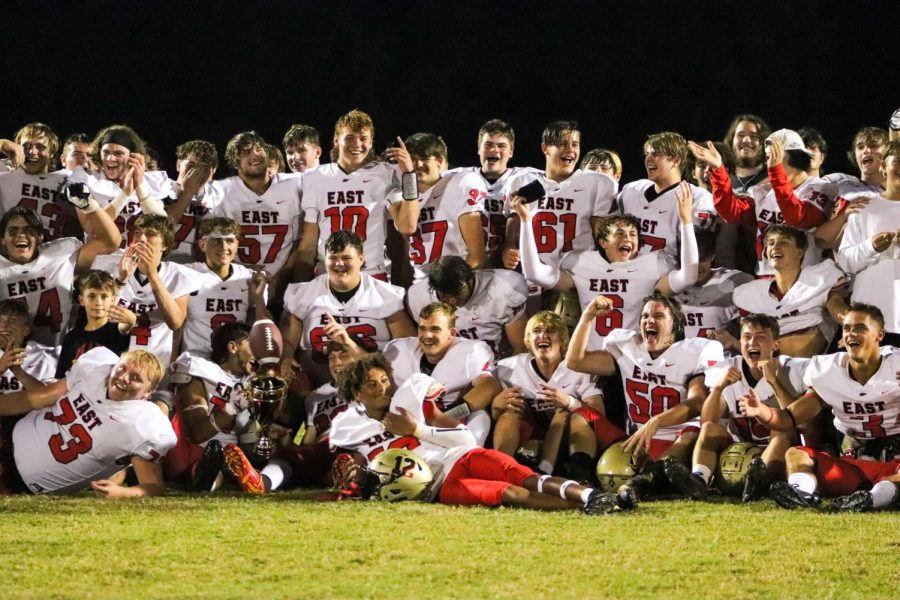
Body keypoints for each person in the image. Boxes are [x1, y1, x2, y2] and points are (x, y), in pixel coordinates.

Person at [319, 353, 630, 514]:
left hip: (460, 454)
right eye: (372, 384)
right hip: (437, 489)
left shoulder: (409, 398)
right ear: (355, 393)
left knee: (528, 478)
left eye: (384, 380)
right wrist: (352, 475)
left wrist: (417, 428)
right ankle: (586, 507)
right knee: (510, 495)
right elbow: (352, 463)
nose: (382, 388)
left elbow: (465, 437)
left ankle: (593, 496)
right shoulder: (347, 425)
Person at [741, 304, 899, 512]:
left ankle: (870, 500)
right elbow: (790, 418)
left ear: (879, 335)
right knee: (796, 454)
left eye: (860, 328)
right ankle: (799, 493)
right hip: (854, 460)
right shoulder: (827, 371)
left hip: (896, 459)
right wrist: (760, 412)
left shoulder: (895, 365)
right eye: (847, 328)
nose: (852, 333)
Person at [567, 292, 725, 499]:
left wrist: (657, 422)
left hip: (676, 436)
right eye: (645, 316)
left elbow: (696, 403)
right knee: (581, 415)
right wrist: (587, 317)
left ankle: (640, 486)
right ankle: (582, 478)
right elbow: (576, 361)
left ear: (675, 325)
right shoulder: (628, 349)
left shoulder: (692, 352)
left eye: (658, 316)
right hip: (636, 438)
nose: (649, 320)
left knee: (691, 434)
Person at [514, 182, 699, 344]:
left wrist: (686, 221)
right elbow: (534, 273)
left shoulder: (653, 264)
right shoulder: (582, 263)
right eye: (619, 234)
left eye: (632, 234)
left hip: (632, 359)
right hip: (588, 356)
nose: (627, 238)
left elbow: (689, 276)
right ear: (603, 242)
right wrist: (525, 221)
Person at [664, 314, 807, 501]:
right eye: (747, 337)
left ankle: (758, 481)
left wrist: (774, 382)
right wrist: (718, 388)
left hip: (777, 457)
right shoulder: (728, 368)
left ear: (775, 345)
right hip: (736, 452)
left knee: (782, 433)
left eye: (761, 336)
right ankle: (699, 480)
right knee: (708, 429)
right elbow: (708, 420)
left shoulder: (794, 369)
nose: (752, 342)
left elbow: (796, 422)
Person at [0, 346, 176, 497]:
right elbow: (35, 399)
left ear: (148, 392)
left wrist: (123, 493)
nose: (123, 378)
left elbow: (153, 486)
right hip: (11, 432)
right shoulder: (96, 369)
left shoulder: (143, 425)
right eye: (122, 368)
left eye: (136, 378)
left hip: (26, 480)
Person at [291, 109, 419, 281]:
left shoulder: (385, 174)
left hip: (370, 274)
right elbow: (308, 244)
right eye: (349, 138)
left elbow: (407, 226)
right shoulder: (316, 177)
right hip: (328, 274)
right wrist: (301, 286)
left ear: (371, 142)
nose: (357, 144)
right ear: (336, 141)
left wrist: (409, 176)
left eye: (363, 138)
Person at [279, 231, 415, 387]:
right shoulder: (303, 294)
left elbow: (407, 349)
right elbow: (287, 341)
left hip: (374, 383)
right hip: (318, 388)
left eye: (346, 258)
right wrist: (286, 359)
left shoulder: (385, 295)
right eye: (333, 258)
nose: (339, 264)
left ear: (361, 259)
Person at [690, 129, 831, 276]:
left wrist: (776, 173)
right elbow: (731, 213)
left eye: (773, 156)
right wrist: (717, 169)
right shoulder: (761, 191)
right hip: (766, 279)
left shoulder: (820, 188)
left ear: (794, 156)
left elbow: (796, 218)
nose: (769, 163)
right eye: (768, 157)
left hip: (806, 280)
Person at [223, 341, 353, 494]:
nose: (337, 362)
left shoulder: (366, 386)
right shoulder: (314, 397)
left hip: (355, 444)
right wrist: (286, 440)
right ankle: (261, 482)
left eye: (343, 356)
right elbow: (308, 441)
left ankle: (344, 477)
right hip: (325, 449)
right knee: (288, 456)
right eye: (331, 357)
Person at [492, 311, 606, 482]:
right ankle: (501, 469)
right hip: (527, 439)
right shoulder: (509, 368)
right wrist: (495, 405)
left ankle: (578, 470)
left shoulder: (579, 368)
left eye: (551, 331)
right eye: (537, 331)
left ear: (563, 340)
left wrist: (569, 401)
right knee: (510, 409)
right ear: (529, 340)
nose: (543, 335)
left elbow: (598, 416)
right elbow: (492, 413)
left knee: (566, 412)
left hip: (569, 442)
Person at [0, 198, 121, 347]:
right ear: (3, 239)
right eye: (13, 231)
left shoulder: (61, 254)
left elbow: (111, 242)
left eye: (28, 230)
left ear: (40, 236)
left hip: (60, 354)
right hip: (9, 358)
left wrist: (91, 206)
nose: (20, 235)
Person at [501, 121, 617, 272]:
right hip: (532, 271)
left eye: (575, 144)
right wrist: (508, 247)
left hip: (577, 273)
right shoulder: (523, 180)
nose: (570, 150)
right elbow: (514, 218)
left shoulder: (597, 183)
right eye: (562, 144)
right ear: (545, 148)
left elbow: (603, 238)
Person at [92, 215, 198, 368]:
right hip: (108, 357)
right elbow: (93, 314)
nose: (141, 238)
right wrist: (121, 280)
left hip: (152, 364)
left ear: (165, 245)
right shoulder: (111, 263)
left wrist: (152, 275)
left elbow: (175, 322)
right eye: (137, 232)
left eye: (150, 234)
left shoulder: (178, 275)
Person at [384, 302, 497, 446]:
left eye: (435, 329)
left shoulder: (470, 352)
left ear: (451, 333)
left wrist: (447, 416)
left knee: (480, 417)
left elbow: (489, 387)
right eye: (422, 328)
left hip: (454, 420)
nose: (427, 335)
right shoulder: (398, 350)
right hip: (408, 419)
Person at [730, 225, 849, 358]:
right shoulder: (751, 292)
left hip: (811, 360)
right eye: (771, 243)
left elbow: (838, 308)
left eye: (784, 242)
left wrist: (852, 326)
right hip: (769, 361)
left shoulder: (821, 277)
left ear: (800, 252)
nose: (775, 247)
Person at [166, 322, 256, 490]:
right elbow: (197, 433)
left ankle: (260, 478)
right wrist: (231, 409)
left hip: (233, 454)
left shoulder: (251, 382)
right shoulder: (200, 369)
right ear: (233, 347)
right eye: (253, 345)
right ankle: (206, 480)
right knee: (212, 461)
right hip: (194, 450)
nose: (258, 352)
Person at [208, 131, 303, 277]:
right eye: (246, 152)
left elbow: (301, 241)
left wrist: (281, 278)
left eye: (259, 149)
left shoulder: (294, 184)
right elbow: (208, 246)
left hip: (284, 279)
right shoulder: (220, 191)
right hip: (236, 279)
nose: (255, 155)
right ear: (235, 161)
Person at [835, 139, 900, 346]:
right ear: (883, 166)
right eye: (898, 160)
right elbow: (845, 262)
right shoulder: (864, 207)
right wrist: (871, 247)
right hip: (868, 324)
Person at [615, 132, 717, 256]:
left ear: (676, 161)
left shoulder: (697, 199)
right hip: (627, 271)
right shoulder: (632, 190)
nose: (648, 159)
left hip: (668, 273)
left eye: (656, 154)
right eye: (647, 154)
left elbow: (699, 257)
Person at [402, 133, 487, 280]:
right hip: (416, 282)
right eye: (413, 159)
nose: (418, 165)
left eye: (425, 159)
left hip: (454, 281)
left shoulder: (460, 183)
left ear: (440, 161)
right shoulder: (400, 194)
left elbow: (477, 256)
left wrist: (452, 286)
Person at [406, 256, 528, 358]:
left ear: (470, 279)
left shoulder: (504, 289)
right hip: (453, 369)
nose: (452, 301)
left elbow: (521, 347)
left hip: (499, 367)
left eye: (457, 292)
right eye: (445, 297)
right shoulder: (418, 297)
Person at [181, 217, 268, 359]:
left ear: (237, 244)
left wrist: (258, 298)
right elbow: (176, 326)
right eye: (216, 240)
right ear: (203, 245)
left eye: (229, 241)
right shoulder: (186, 274)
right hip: (197, 357)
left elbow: (261, 328)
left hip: (235, 360)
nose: (223, 247)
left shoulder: (249, 278)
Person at [84, 125, 172, 246]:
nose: (110, 158)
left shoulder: (149, 182)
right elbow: (93, 230)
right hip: (100, 259)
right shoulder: (89, 181)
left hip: (137, 258)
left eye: (118, 153)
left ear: (133, 156)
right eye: (106, 152)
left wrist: (139, 186)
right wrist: (125, 194)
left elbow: (162, 227)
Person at [0, 122, 81, 240]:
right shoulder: (5, 170)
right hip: (9, 254)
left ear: (51, 153)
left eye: (40, 147)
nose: (32, 152)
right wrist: (2, 143)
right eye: (26, 146)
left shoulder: (67, 180)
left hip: (53, 253)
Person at [814, 127, 888, 250]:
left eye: (873, 145)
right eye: (860, 147)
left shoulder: (893, 192)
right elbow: (822, 242)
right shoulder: (842, 185)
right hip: (846, 263)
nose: (866, 150)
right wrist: (844, 216)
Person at [674, 228, 751, 340]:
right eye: (691, 260)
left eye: (702, 259)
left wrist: (733, 342)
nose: (696, 267)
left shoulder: (736, 281)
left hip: (721, 356)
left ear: (712, 257)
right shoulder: (668, 285)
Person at [55, 270, 135, 378]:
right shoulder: (72, 338)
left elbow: (129, 323)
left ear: (113, 300)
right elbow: (61, 377)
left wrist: (131, 319)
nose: (98, 302)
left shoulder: (117, 329)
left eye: (104, 296)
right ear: (82, 300)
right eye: (92, 296)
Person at [162, 140, 220, 264]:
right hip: (162, 264)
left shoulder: (218, 200)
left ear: (213, 171)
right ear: (178, 165)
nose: (197, 172)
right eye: (192, 165)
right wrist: (187, 193)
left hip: (199, 271)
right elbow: (159, 231)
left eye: (204, 167)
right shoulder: (161, 189)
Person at [0, 300, 57, 393]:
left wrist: (17, 371)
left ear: (26, 330)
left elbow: (50, 399)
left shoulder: (46, 356)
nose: (3, 325)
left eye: (12, 320)